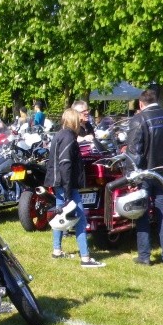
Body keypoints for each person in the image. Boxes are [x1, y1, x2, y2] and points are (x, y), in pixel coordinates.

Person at [125, 89, 163, 269]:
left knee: (142, 213)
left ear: (141, 104)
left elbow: (134, 152)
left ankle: (144, 256)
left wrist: (131, 178)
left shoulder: (139, 119)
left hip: (145, 173)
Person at [44, 108, 105, 268]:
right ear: (73, 121)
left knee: (59, 216)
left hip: (59, 183)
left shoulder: (59, 134)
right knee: (80, 219)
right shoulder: (69, 137)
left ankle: (57, 250)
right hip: (66, 184)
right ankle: (85, 258)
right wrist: (69, 192)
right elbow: (65, 164)